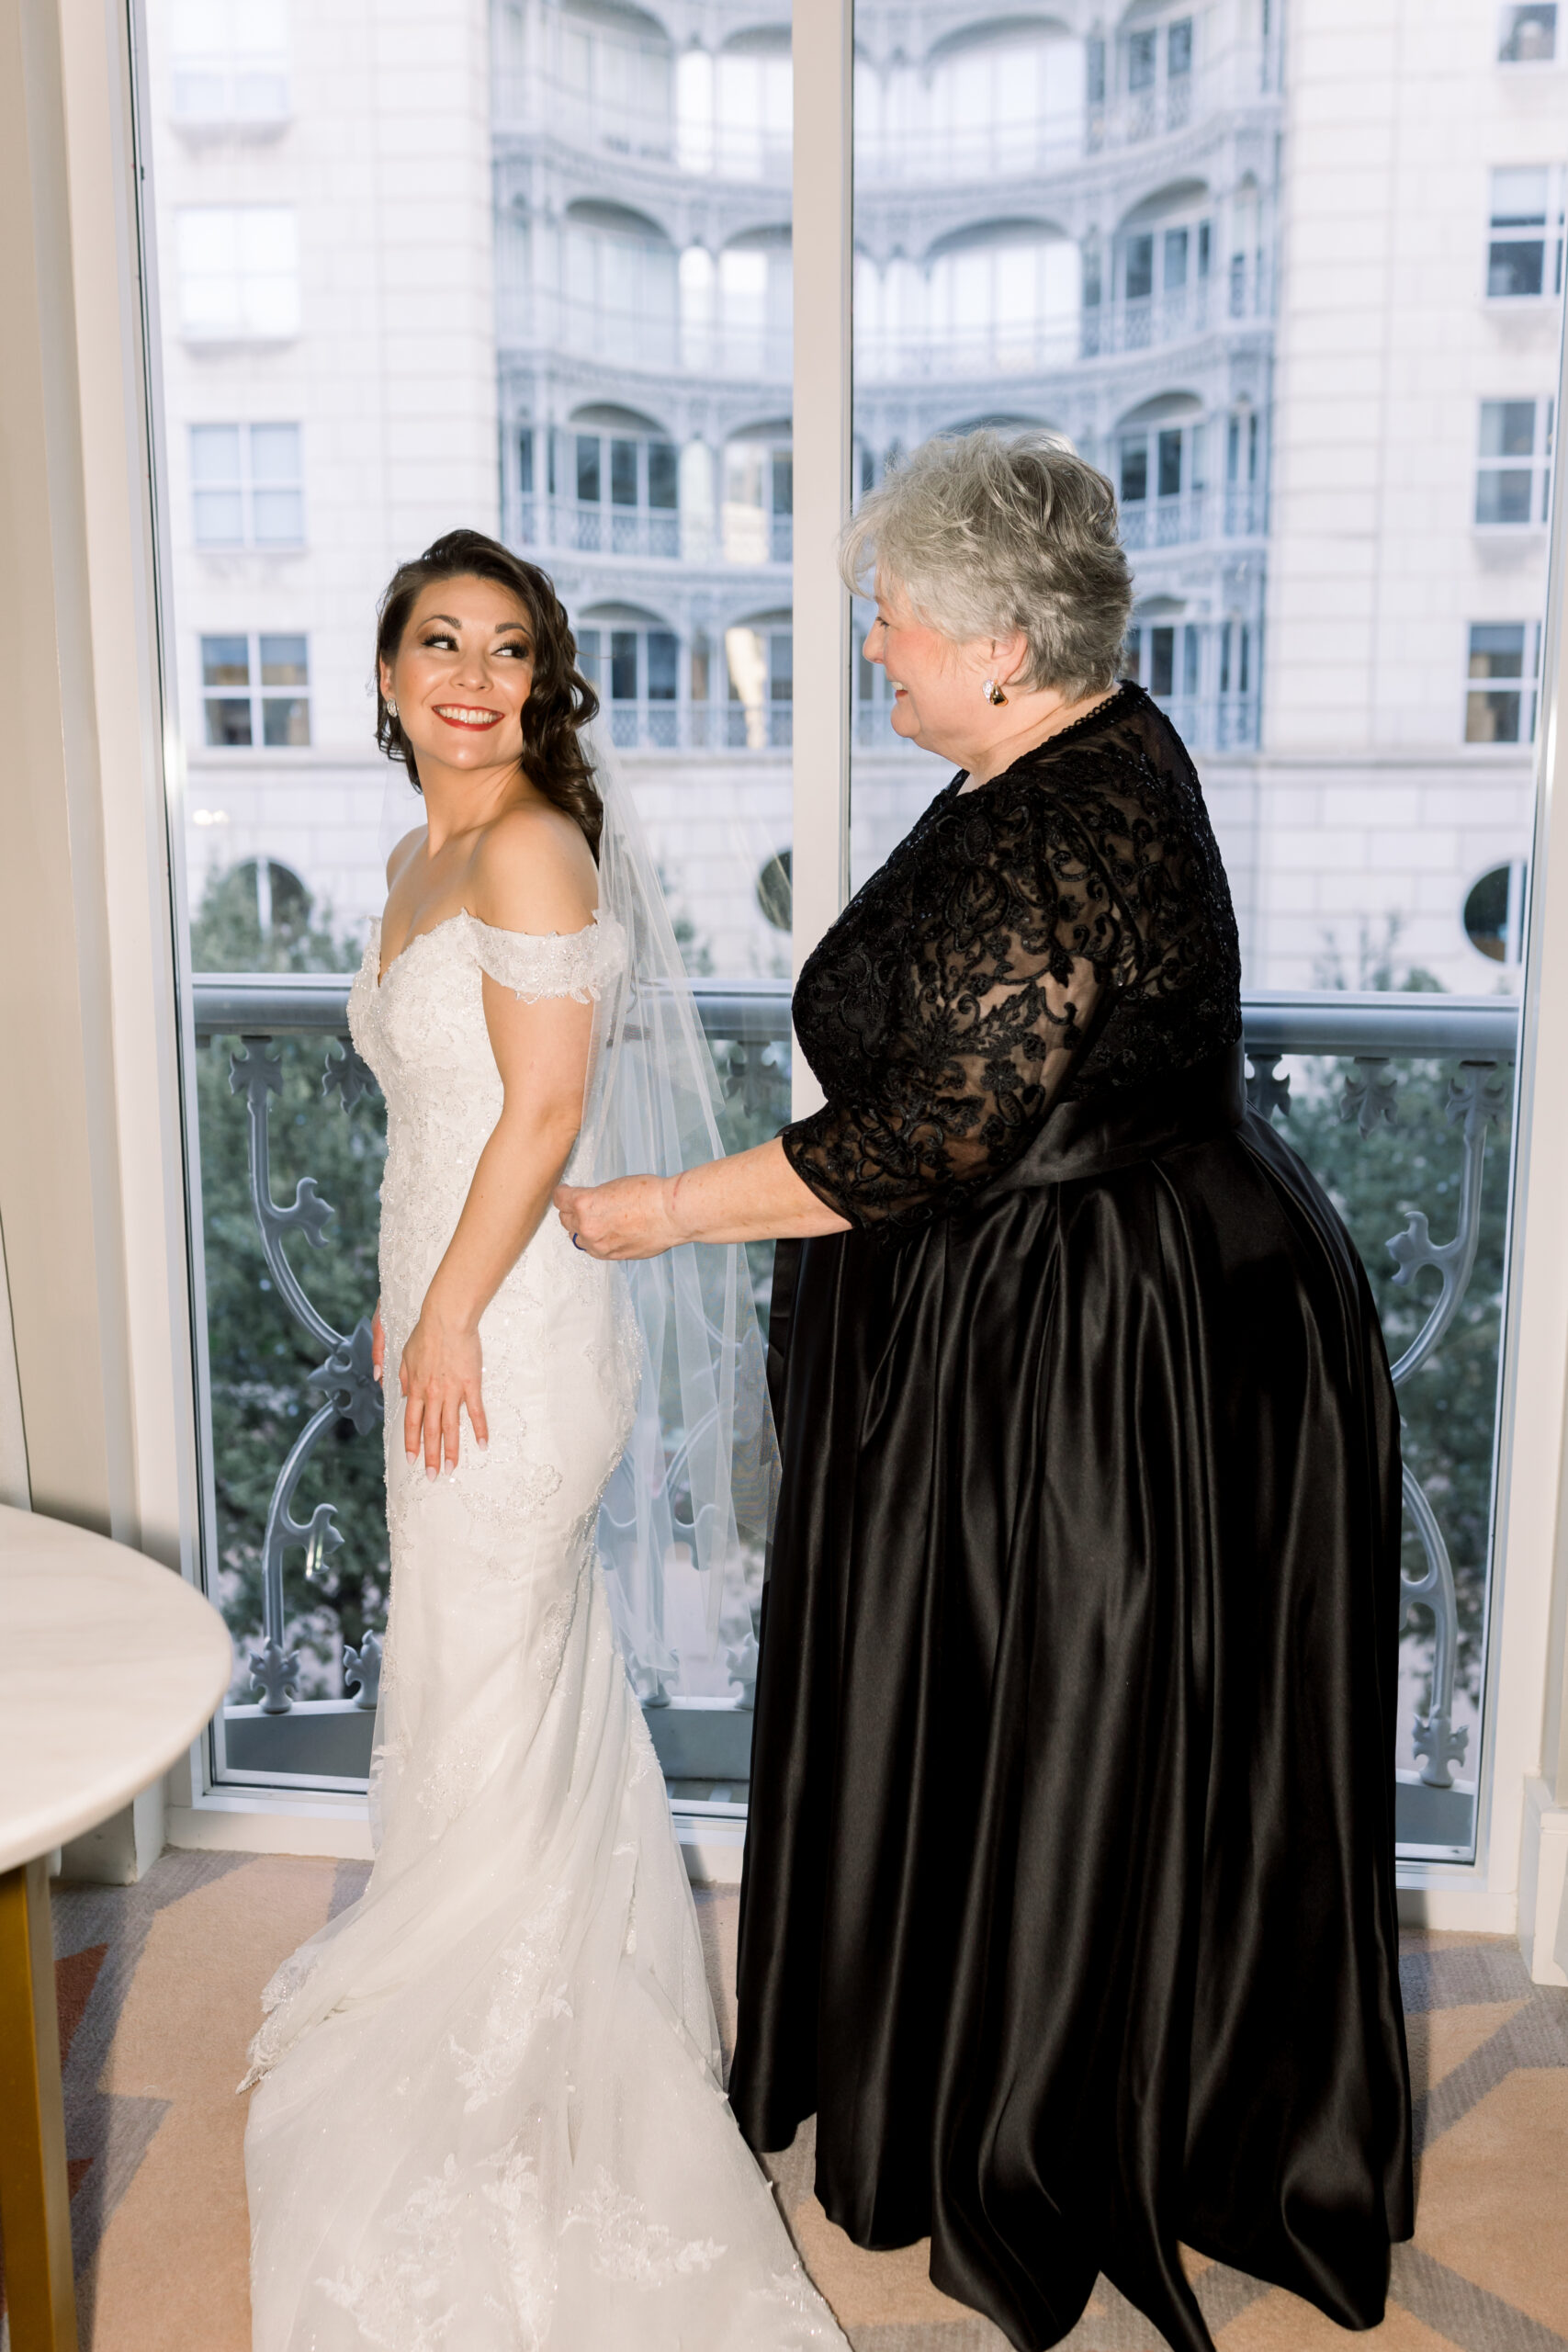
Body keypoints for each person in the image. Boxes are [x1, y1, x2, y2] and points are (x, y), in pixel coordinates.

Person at [556, 432, 1414, 2352]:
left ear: (1005, 643)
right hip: (1110, 1288)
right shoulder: (1076, 744)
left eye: (893, 618)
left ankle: (1028, 2109)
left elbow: (915, 1141)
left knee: (1057, 1727)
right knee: (1043, 1732)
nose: (871, 645)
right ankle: (983, 2045)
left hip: (1086, 1352)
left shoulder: (1048, 817)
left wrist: (652, 1211)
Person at [241, 529, 848, 2352]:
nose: (470, 674)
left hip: (508, 1342)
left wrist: (439, 1309)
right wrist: (401, 1284)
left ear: (541, 681)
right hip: (454, 1313)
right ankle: (504, 2022)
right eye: (437, 640)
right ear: (384, 674)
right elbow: (435, 1121)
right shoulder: (421, 847)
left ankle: (503, 2094)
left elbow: (549, 1107)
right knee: (484, 1685)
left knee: (490, 1675)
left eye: (505, 648)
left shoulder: (523, 837)